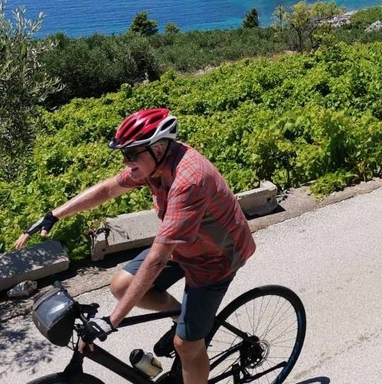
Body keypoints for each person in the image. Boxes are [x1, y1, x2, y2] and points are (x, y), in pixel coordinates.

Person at [15, 108, 255, 384]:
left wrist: (112, 321)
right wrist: (54, 214)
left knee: (186, 345)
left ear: (160, 146)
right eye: (123, 154)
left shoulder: (188, 180)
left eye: (132, 153)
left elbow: (156, 259)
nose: (126, 161)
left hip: (216, 257)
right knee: (121, 286)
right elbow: (108, 189)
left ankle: (192, 340)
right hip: (184, 244)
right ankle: (184, 320)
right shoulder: (153, 163)